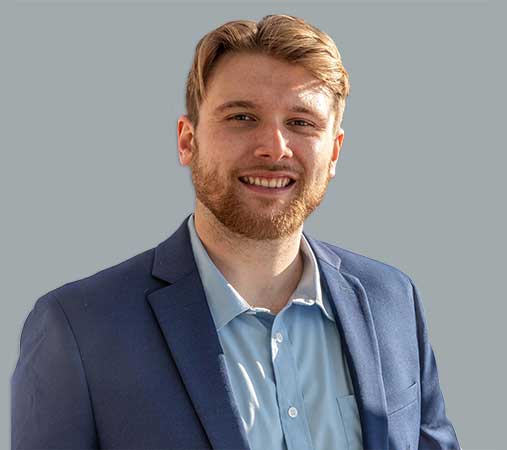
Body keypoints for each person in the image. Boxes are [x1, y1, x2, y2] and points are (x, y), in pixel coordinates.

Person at [11, 14, 460, 450]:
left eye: (301, 123)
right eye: (242, 117)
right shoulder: (78, 329)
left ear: (335, 152)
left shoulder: (392, 301)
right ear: (187, 141)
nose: (275, 148)